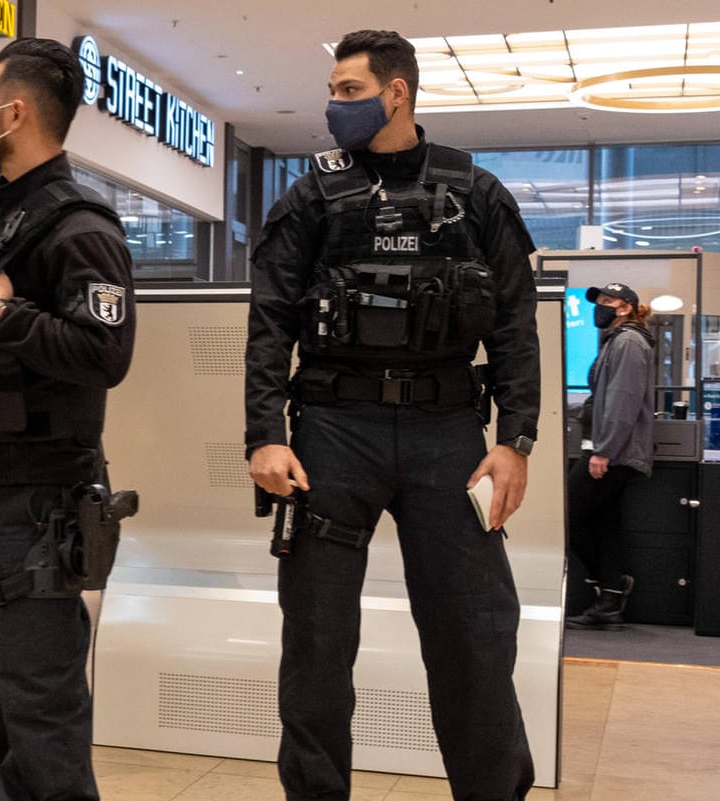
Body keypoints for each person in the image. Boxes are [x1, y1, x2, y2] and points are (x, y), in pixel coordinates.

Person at [246, 29, 539, 801]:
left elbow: (515, 323)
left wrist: (515, 439)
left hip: (449, 436)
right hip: (332, 433)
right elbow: (268, 323)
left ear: (396, 92)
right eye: (332, 93)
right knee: (315, 642)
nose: (333, 106)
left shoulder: (475, 193)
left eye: (348, 91)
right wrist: (264, 434)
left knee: (475, 635)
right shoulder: (310, 197)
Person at [0, 38, 135, 801]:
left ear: (14, 114)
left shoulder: (80, 225)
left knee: (38, 693)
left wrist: (5, 314)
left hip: (39, 490)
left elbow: (104, 352)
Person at [565, 283, 655, 630]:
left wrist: (604, 450)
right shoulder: (617, 340)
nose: (599, 307)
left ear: (625, 307)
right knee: (605, 524)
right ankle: (610, 600)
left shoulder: (628, 342)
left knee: (568, 514)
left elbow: (623, 399)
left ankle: (610, 584)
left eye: (607, 301)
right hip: (608, 448)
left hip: (612, 453)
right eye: (598, 301)